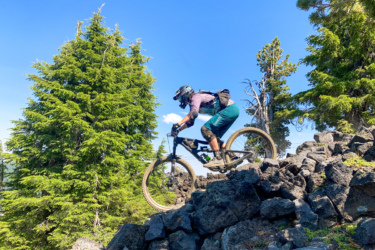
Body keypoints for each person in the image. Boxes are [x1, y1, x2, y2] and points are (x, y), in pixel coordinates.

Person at [172, 85, 239, 168]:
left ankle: (218, 158)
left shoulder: (195, 97)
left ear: (185, 94)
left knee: (205, 129)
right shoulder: (193, 102)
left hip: (229, 109)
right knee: (214, 140)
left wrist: (178, 123)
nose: (180, 100)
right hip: (231, 110)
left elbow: (193, 114)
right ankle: (233, 158)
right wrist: (178, 130)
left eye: (180, 98)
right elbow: (190, 122)